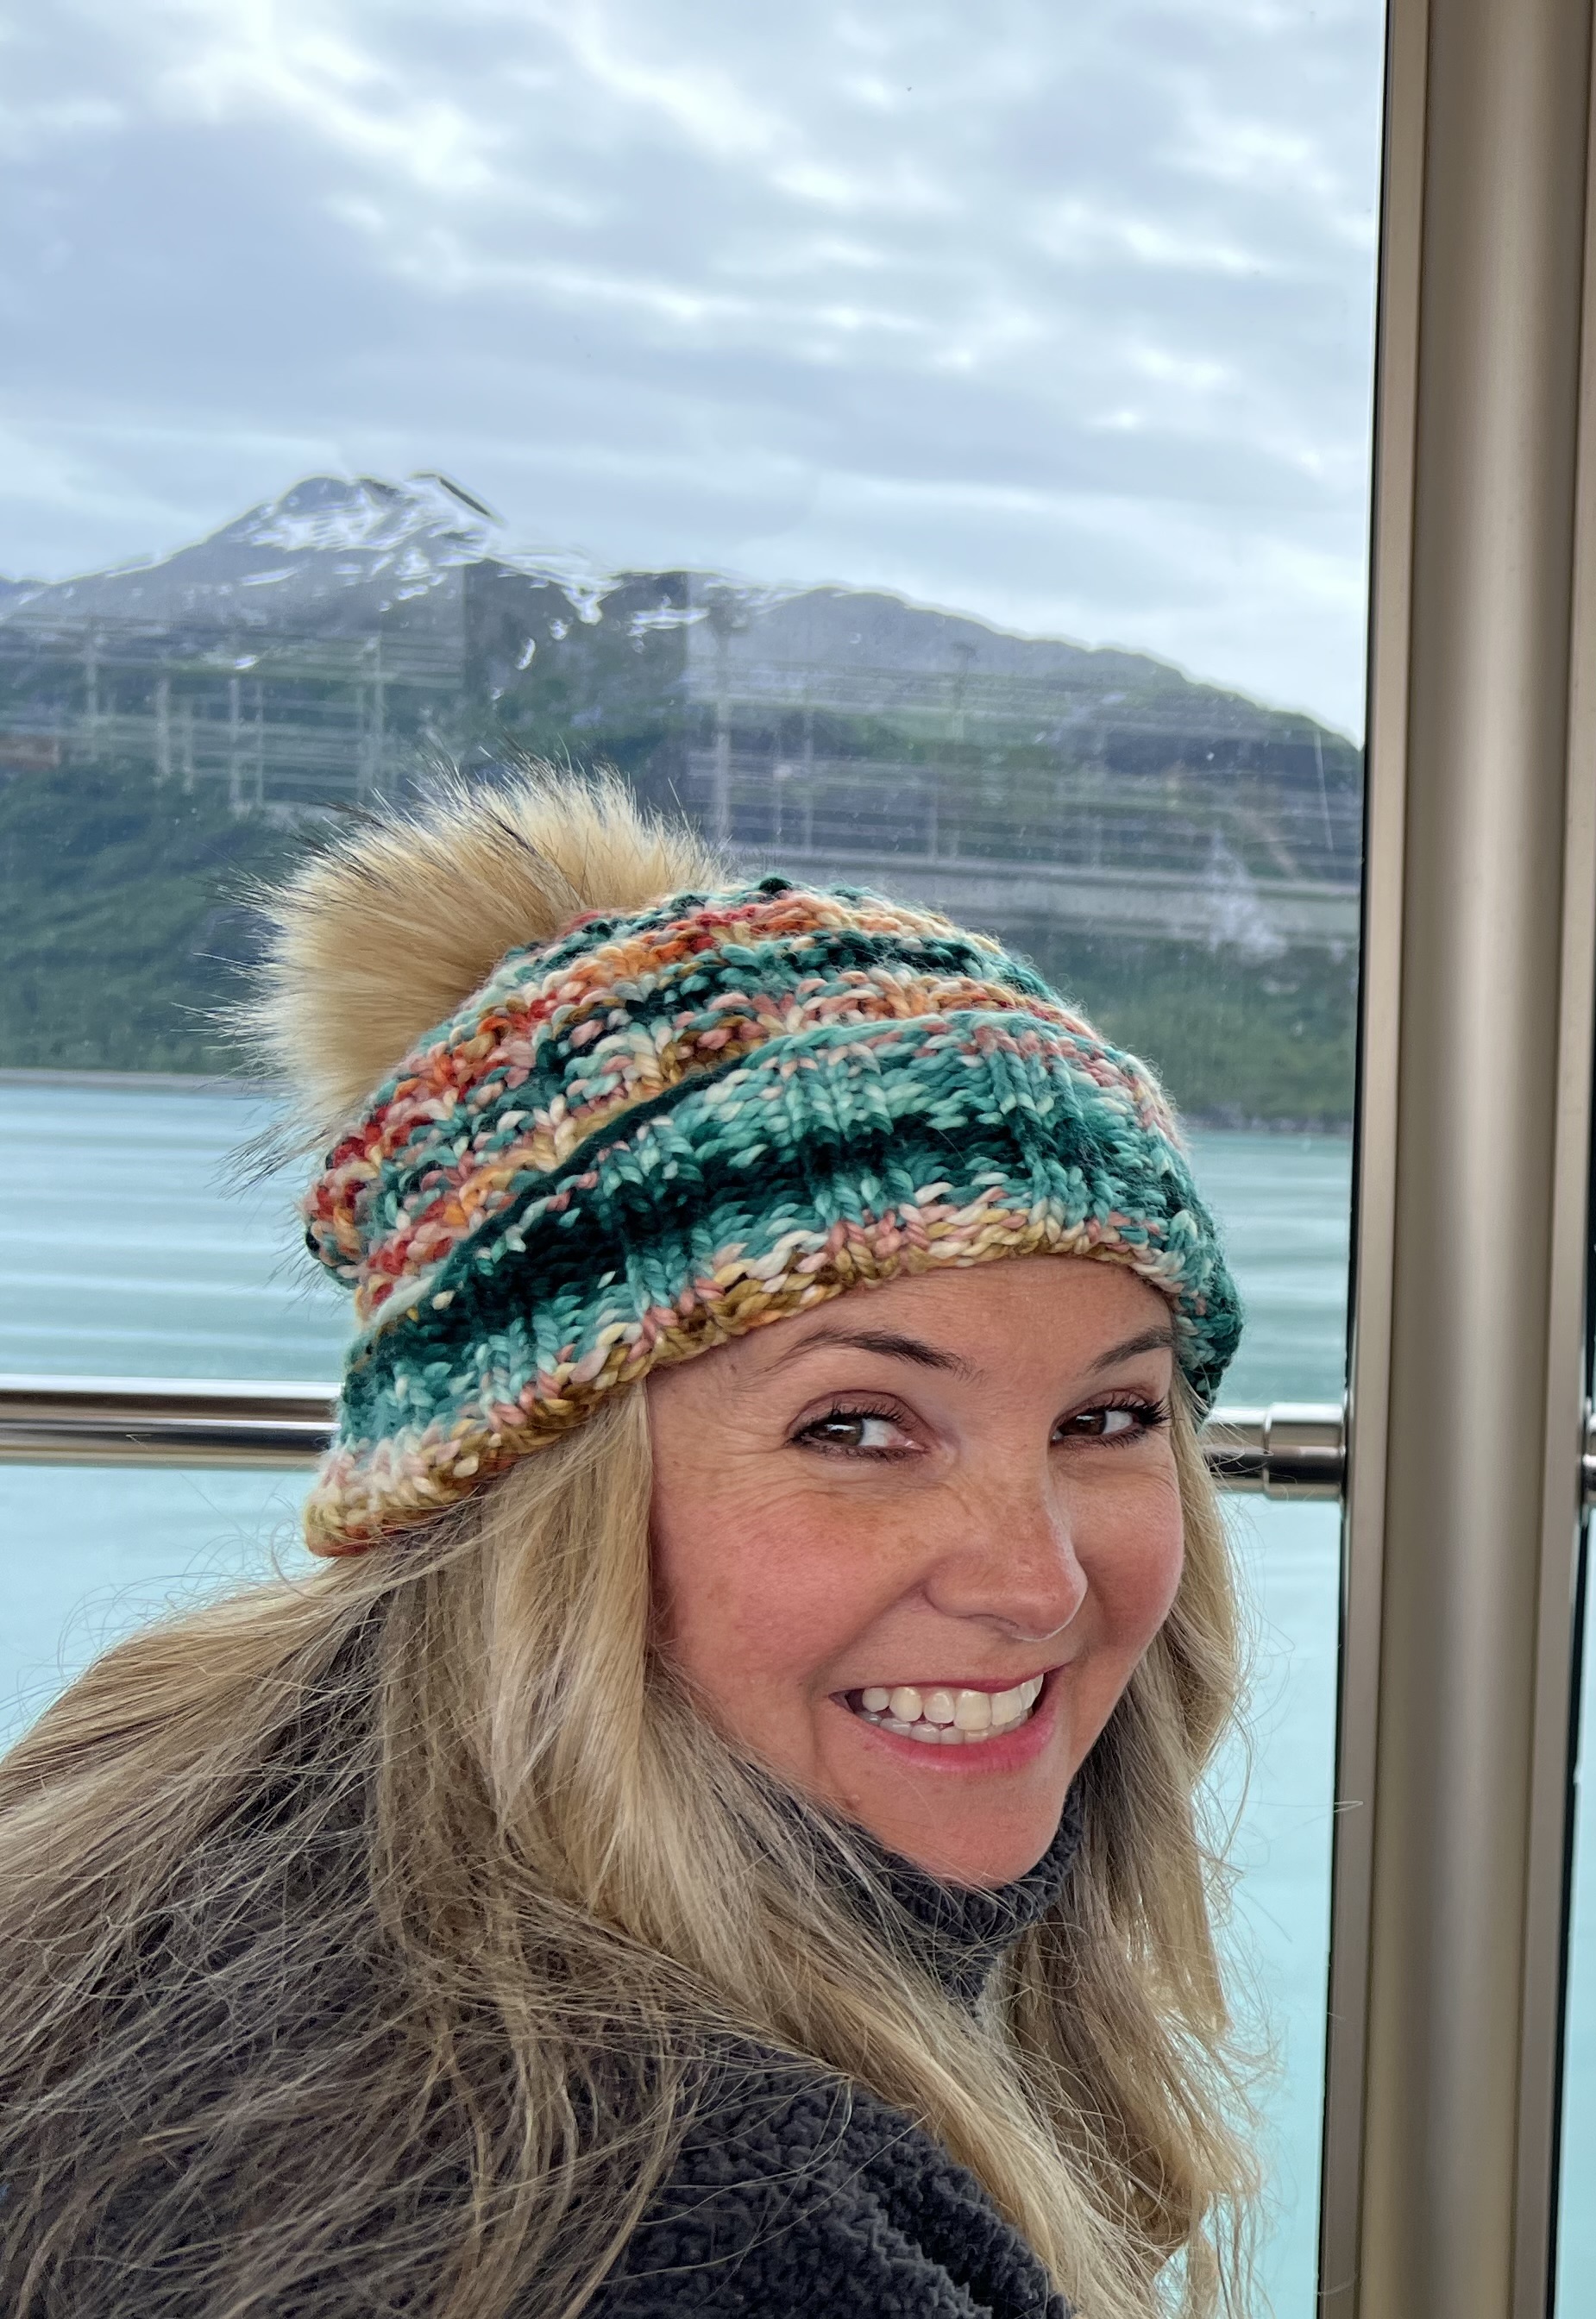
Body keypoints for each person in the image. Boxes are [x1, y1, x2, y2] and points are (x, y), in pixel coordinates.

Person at [0, 776, 1255, 2317]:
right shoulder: (703, 2227)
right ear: (538, 1489)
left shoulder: (183, 1841)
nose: (1036, 1581)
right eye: (856, 1428)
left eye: (1108, 1418)